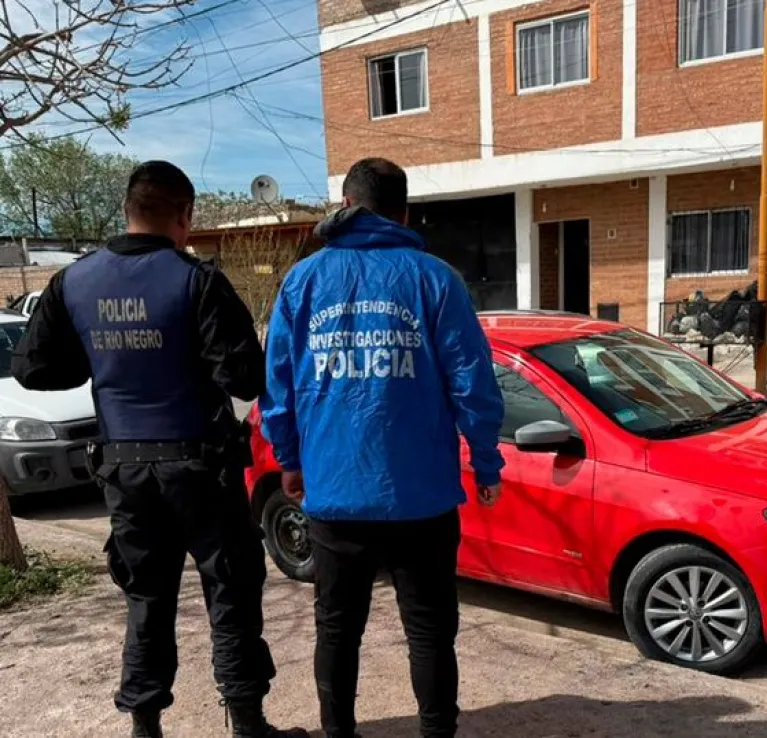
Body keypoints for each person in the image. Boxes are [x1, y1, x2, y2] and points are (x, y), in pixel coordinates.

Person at [11, 161, 307, 738]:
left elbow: (32, 368)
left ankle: (145, 728)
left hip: (124, 469)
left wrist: (103, 360)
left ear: (127, 208)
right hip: (202, 469)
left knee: (147, 599)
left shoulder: (74, 281)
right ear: (185, 215)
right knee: (231, 595)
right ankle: (248, 725)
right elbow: (245, 379)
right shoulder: (197, 280)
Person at [261, 157, 505, 738]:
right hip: (422, 497)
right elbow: (473, 381)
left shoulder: (304, 281)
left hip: (335, 495)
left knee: (338, 629)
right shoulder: (434, 279)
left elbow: (280, 385)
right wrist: (487, 461)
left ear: (345, 206)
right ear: (404, 212)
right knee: (429, 630)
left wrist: (289, 460)